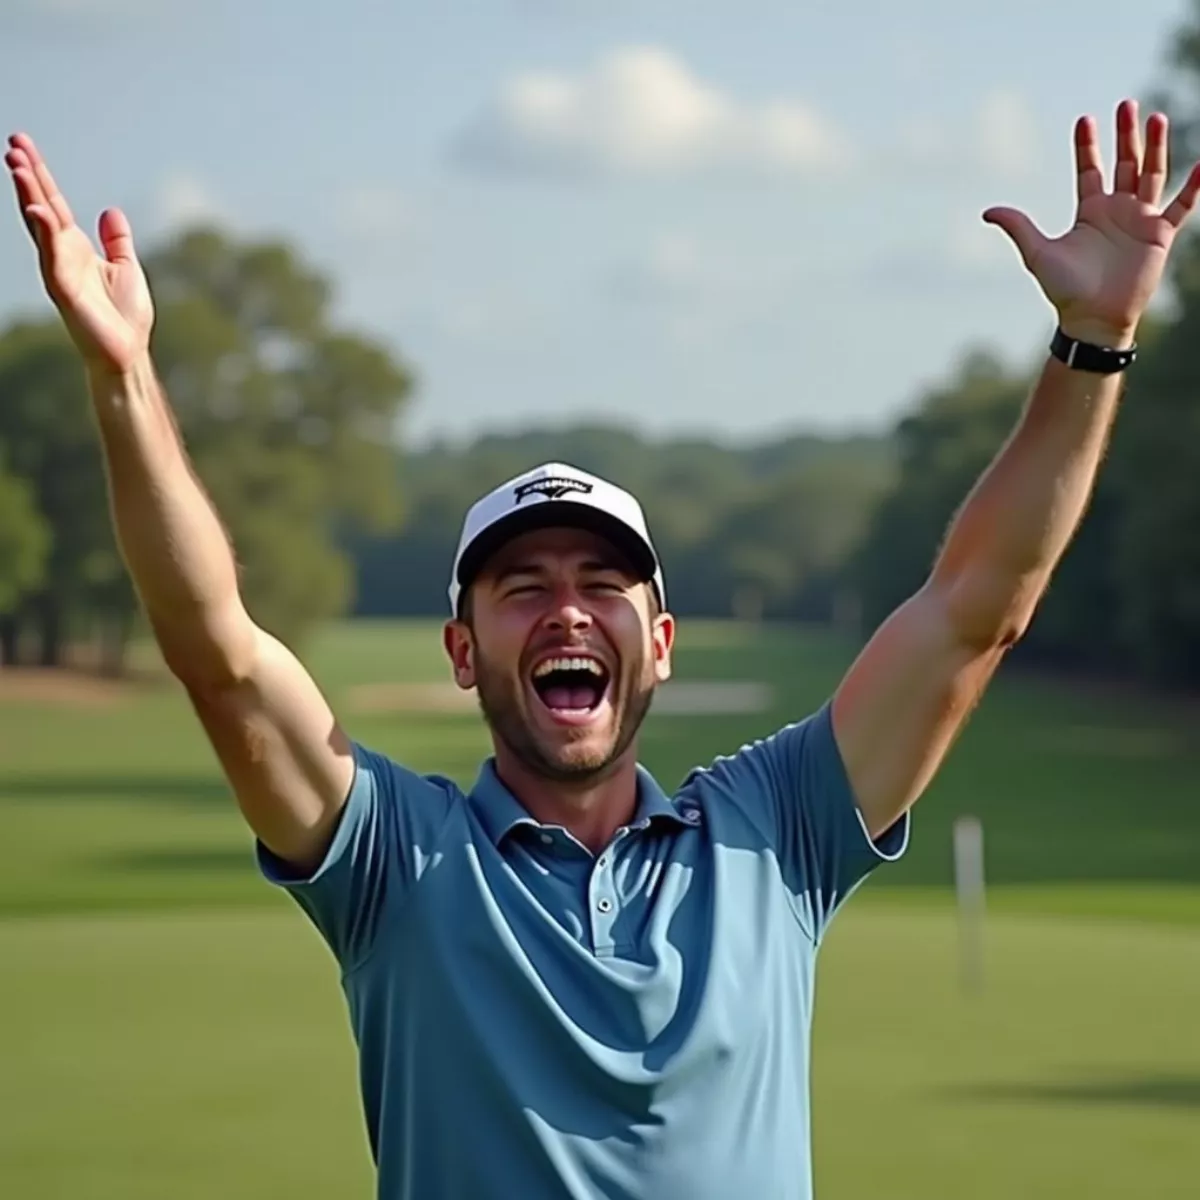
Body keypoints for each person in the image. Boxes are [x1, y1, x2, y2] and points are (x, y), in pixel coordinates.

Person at [5, 99, 1198, 1200]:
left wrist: (1095, 341)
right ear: (464, 651)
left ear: (660, 642)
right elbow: (216, 647)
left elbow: (974, 608)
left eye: (603, 584)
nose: (568, 611)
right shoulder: (392, 865)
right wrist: (126, 380)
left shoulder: (777, 832)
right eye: (523, 589)